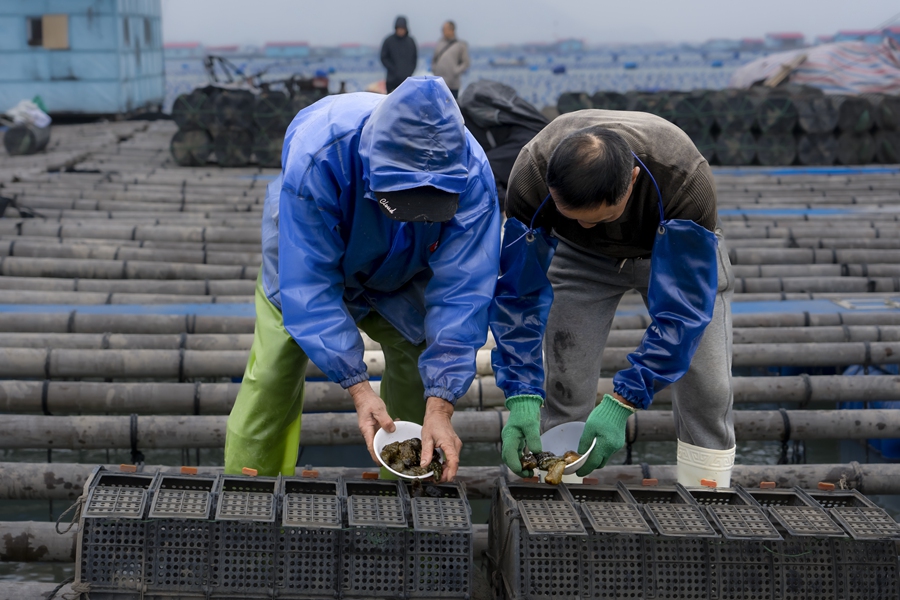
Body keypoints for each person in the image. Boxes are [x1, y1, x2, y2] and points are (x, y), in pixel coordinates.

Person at [225, 76, 501, 482]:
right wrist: (358, 387)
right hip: (311, 254)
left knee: (416, 364)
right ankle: (249, 491)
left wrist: (441, 403)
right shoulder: (319, 156)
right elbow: (310, 286)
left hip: (409, 266)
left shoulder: (472, 176)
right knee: (272, 374)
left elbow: (465, 292)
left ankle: (405, 492)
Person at [490, 110, 736, 487]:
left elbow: (683, 313)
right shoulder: (532, 174)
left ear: (632, 179)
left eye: (598, 216)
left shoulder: (684, 178)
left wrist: (624, 400)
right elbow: (517, 297)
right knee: (566, 380)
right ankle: (557, 493)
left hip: (670, 246)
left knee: (709, 387)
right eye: (575, 215)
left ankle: (708, 490)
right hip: (578, 256)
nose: (587, 223)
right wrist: (521, 392)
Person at [431, 21, 470, 99]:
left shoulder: (460, 45)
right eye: (443, 29)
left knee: (451, 108)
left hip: (453, 84)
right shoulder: (439, 43)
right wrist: (434, 69)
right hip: (439, 82)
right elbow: (434, 59)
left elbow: (466, 63)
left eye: (445, 29)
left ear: (452, 30)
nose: (443, 32)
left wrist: (456, 71)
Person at [380, 16, 418, 93]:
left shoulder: (410, 42)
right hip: (392, 80)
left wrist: (410, 71)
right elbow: (383, 57)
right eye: (399, 28)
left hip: (407, 80)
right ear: (395, 28)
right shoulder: (389, 41)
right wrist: (393, 69)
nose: (400, 30)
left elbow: (414, 58)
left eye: (402, 28)